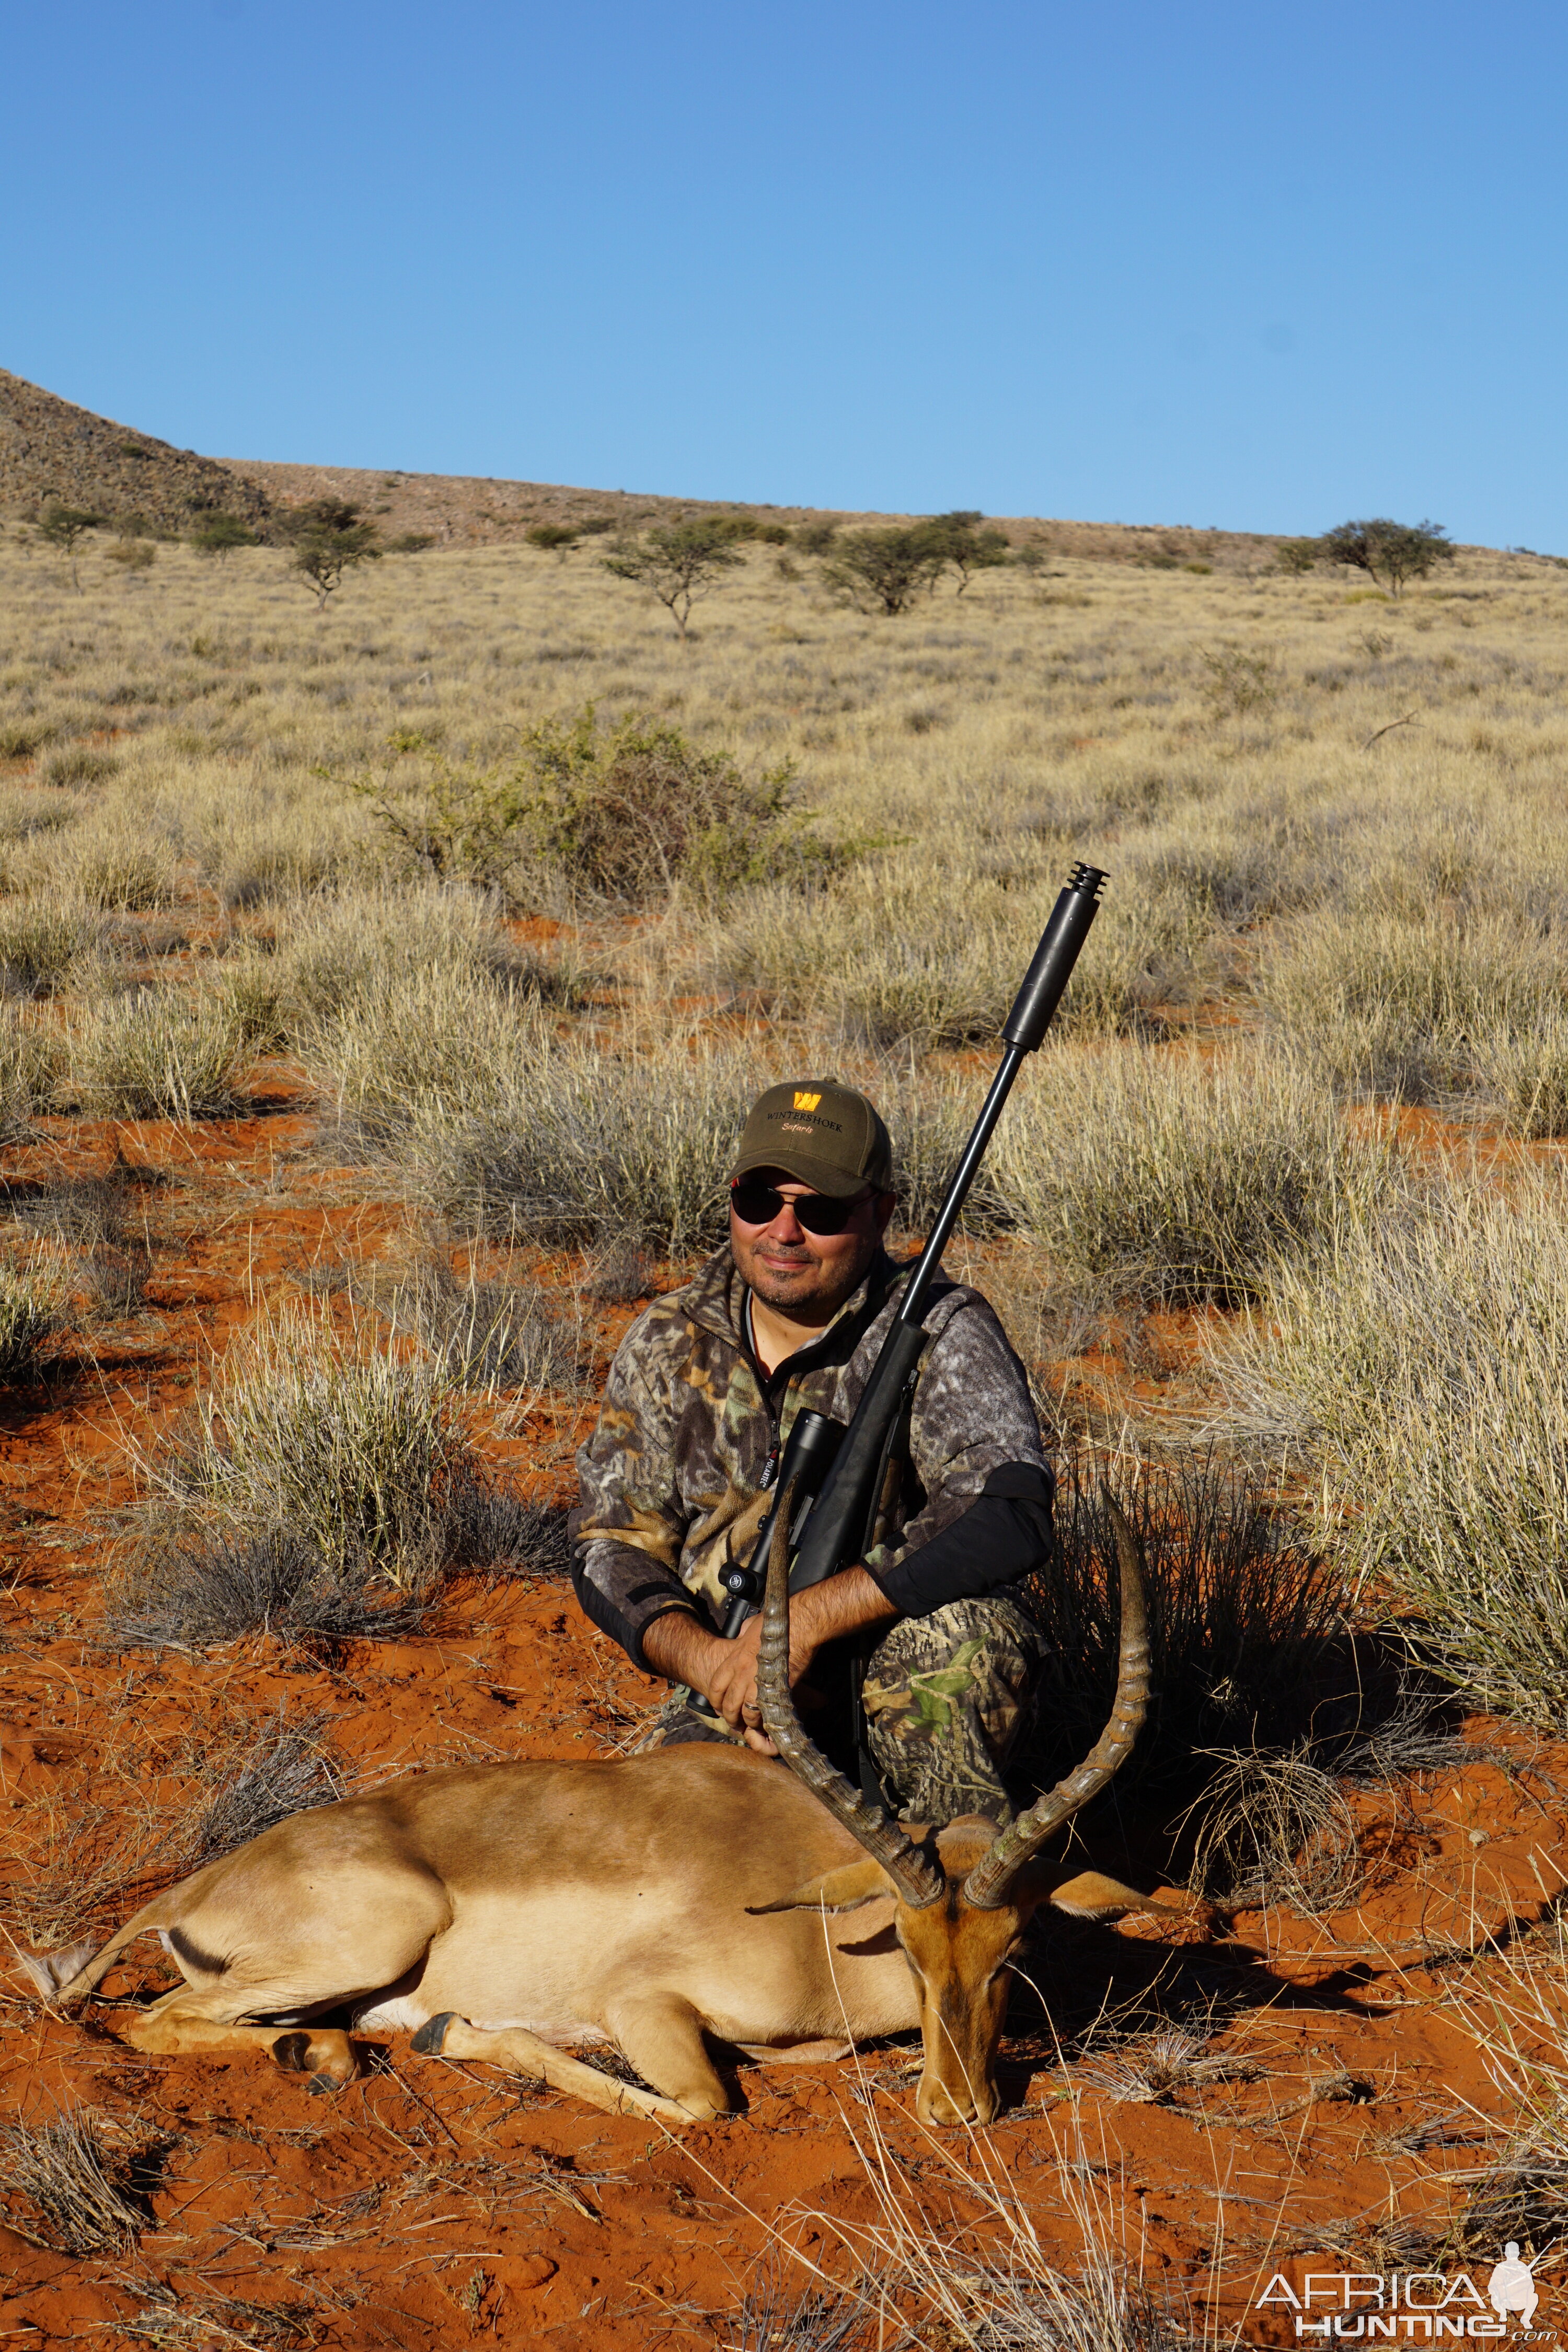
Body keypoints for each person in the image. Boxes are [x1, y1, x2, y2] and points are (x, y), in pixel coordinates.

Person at [570, 1079, 1055, 1825]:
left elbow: (1008, 1507)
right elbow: (610, 1546)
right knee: (669, 1848)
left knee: (964, 1647)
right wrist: (713, 1662)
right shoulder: (668, 1334)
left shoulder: (940, 1325)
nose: (783, 1233)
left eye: (821, 1210)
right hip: (736, 1686)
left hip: (887, 1665)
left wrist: (808, 1622)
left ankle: (960, 1870)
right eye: (760, 1201)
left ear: (881, 1214)